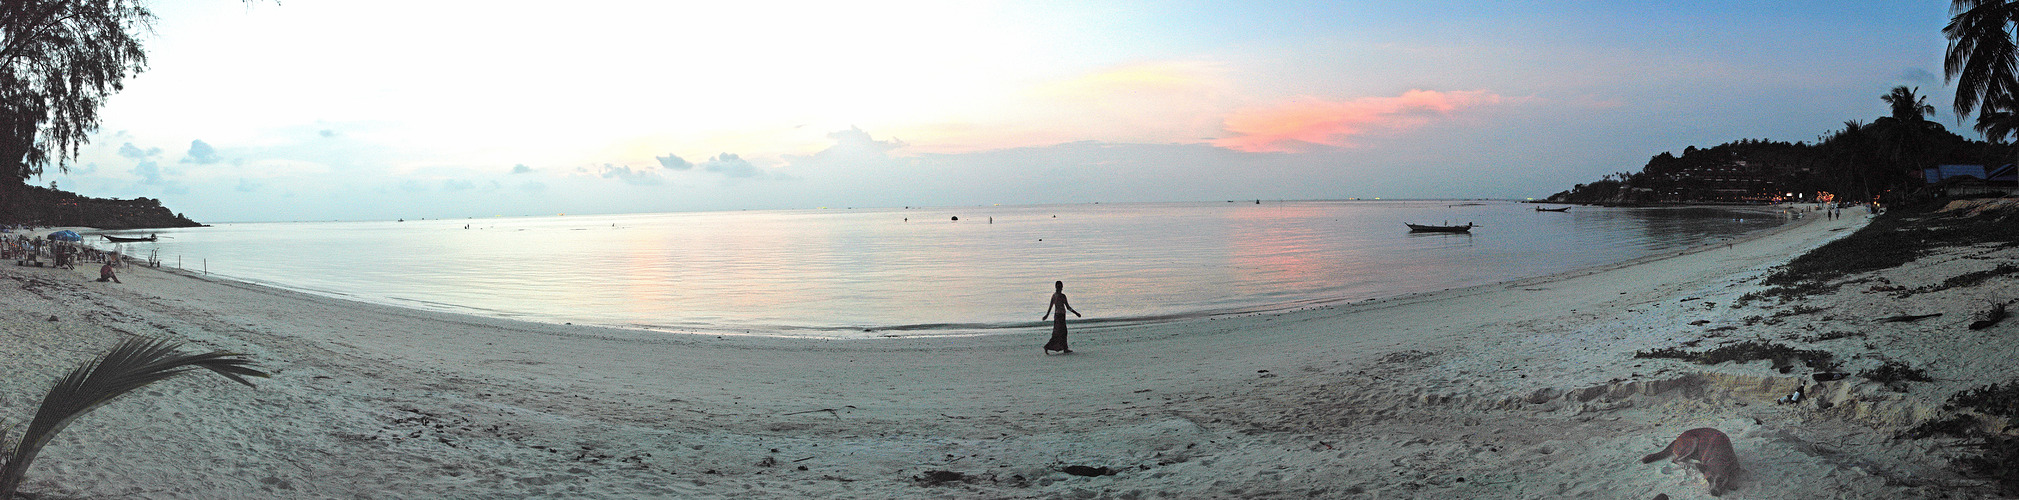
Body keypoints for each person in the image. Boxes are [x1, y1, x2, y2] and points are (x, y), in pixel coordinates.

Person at [1041, 280, 1082, 354]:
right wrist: (1046, 315)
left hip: (1061, 316)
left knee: (1062, 333)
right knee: (1058, 333)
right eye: (1058, 286)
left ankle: (1064, 348)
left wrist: (1076, 313)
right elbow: (1051, 306)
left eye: (1060, 286)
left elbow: (1068, 307)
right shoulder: (1056, 296)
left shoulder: (1060, 296)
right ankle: (1048, 346)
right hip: (1058, 316)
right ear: (1056, 287)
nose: (1059, 288)